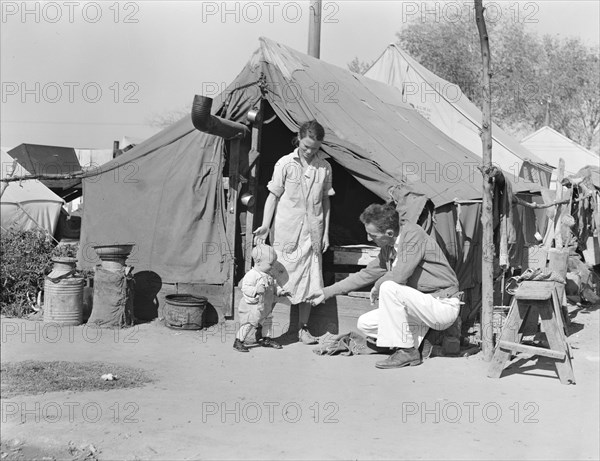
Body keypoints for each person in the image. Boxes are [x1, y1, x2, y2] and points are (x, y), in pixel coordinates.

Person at [309, 203, 461, 369]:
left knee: (389, 287)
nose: (368, 239)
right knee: (365, 323)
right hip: (420, 309)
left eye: (372, 235)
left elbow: (399, 275)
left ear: (389, 233)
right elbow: (365, 274)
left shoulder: (413, 235)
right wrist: (326, 292)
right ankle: (422, 342)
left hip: (442, 305)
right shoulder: (388, 247)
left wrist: (378, 285)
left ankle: (407, 351)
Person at [253, 120, 334, 345]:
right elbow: (273, 195)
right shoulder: (285, 163)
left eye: (315, 148)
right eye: (306, 146)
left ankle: (301, 329)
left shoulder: (324, 167)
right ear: (298, 138)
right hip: (285, 231)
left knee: (308, 280)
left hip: (312, 233)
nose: (309, 151)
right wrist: (265, 224)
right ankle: (264, 329)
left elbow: (326, 201)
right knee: (276, 279)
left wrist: (325, 232)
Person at [234, 244, 290, 353]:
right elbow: (245, 288)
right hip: (253, 306)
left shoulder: (269, 274)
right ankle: (239, 341)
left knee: (268, 321)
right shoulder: (252, 275)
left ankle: (266, 338)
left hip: (265, 306)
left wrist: (280, 291)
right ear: (258, 261)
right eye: (270, 264)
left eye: (274, 263)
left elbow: (275, 285)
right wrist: (255, 290)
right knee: (249, 323)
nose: (273, 266)